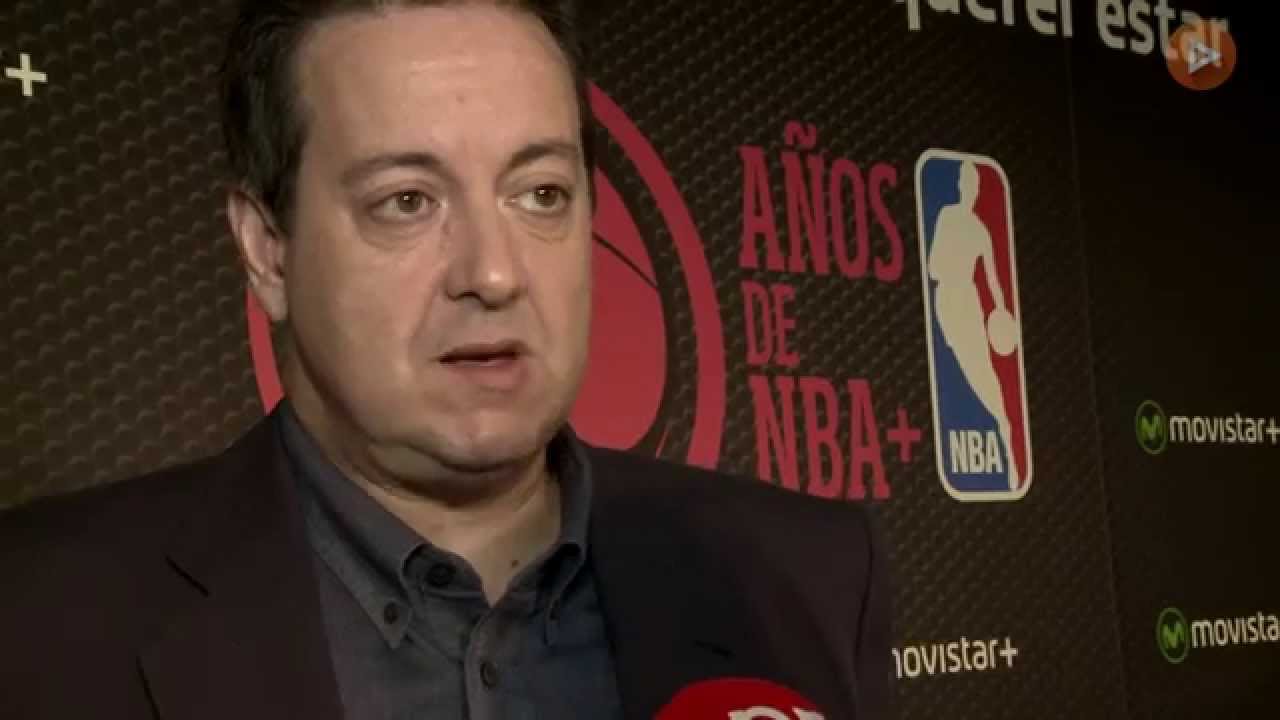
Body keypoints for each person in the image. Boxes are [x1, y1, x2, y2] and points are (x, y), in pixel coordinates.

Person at [0, 1, 891, 718]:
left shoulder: (806, 580)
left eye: (540, 193)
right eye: (406, 202)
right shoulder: (39, 619)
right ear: (268, 251)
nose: (494, 274)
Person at [927, 160, 1020, 490]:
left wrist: (1002, 311)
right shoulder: (948, 216)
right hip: (948, 302)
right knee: (965, 375)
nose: (971, 189)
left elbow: (993, 279)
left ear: (977, 190)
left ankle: (1007, 438)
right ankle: (1004, 430)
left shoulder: (980, 230)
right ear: (961, 186)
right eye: (967, 183)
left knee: (985, 378)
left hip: (967, 304)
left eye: (975, 185)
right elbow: (933, 267)